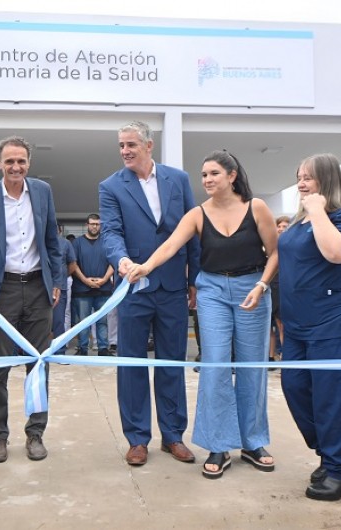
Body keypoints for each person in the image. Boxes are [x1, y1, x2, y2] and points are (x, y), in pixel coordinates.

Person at [128, 150, 278, 479]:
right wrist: (145, 267)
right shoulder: (197, 214)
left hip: (252, 287)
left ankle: (253, 443)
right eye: (204, 175)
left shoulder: (257, 208)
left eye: (214, 174)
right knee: (215, 367)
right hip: (211, 291)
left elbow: (275, 251)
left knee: (252, 365)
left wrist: (263, 285)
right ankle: (218, 444)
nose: (207, 180)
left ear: (232, 176)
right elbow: (169, 246)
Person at [99, 120, 199, 467]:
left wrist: (194, 280)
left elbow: (192, 230)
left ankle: (173, 436)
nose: (125, 151)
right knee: (132, 364)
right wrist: (122, 260)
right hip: (133, 288)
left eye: (131, 144)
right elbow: (111, 231)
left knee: (172, 362)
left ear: (148, 145)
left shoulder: (178, 179)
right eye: (121, 145)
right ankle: (137, 438)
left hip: (172, 287)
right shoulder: (111, 186)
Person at [278, 153, 341, 501]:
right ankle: (331, 453)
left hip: (335, 323)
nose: (301, 183)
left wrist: (317, 210)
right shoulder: (302, 221)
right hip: (299, 325)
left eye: (310, 178)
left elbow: (336, 254)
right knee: (295, 387)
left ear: (328, 181)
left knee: (335, 399)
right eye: (299, 177)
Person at [0, 135, 62, 463]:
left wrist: (57, 280)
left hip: (39, 289)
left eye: (21, 161)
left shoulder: (42, 192)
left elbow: (52, 239)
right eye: (9, 161)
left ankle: (35, 433)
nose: (15, 167)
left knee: (38, 365)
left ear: (29, 163)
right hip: (2, 291)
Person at [71, 214, 114, 356]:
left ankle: (103, 349)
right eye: (92, 224)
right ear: (87, 224)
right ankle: (82, 349)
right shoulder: (77, 243)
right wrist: (85, 280)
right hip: (82, 289)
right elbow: (73, 264)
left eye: (97, 224)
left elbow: (113, 262)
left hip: (103, 288)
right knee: (83, 322)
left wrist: (104, 279)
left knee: (103, 321)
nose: (95, 226)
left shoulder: (107, 242)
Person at [51, 224, 77, 355]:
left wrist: (61, 276)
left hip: (60, 288)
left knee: (59, 320)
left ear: (60, 230)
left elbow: (72, 264)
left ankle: (59, 351)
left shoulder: (65, 243)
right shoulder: (39, 241)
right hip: (39, 287)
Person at [269, 216, 291, 367]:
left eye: (285, 226)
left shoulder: (291, 245)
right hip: (270, 286)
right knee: (269, 326)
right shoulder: (269, 245)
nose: (281, 229)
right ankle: (270, 357)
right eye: (279, 226)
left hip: (285, 286)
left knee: (282, 324)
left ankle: (285, 356)